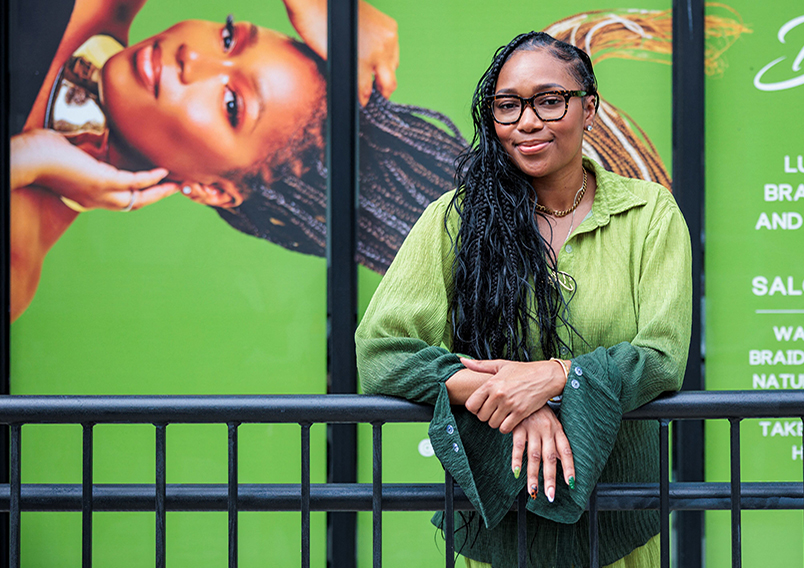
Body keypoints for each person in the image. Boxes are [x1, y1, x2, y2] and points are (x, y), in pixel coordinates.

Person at [356, 31, 692, 567]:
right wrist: (511, 402)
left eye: (549, 101)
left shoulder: (649, 215)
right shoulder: (457, 218)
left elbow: (661, 358)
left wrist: (555, 377)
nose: (527, 122)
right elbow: (381, 353)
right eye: (507, 106)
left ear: (590, 107)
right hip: (496, 526)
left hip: (618, 521)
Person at [8, 0, 399, 321]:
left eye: (232, 104)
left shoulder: (15, 260)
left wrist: (25, 161)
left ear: (210, 190)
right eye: (228, 37)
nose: (192, 56)